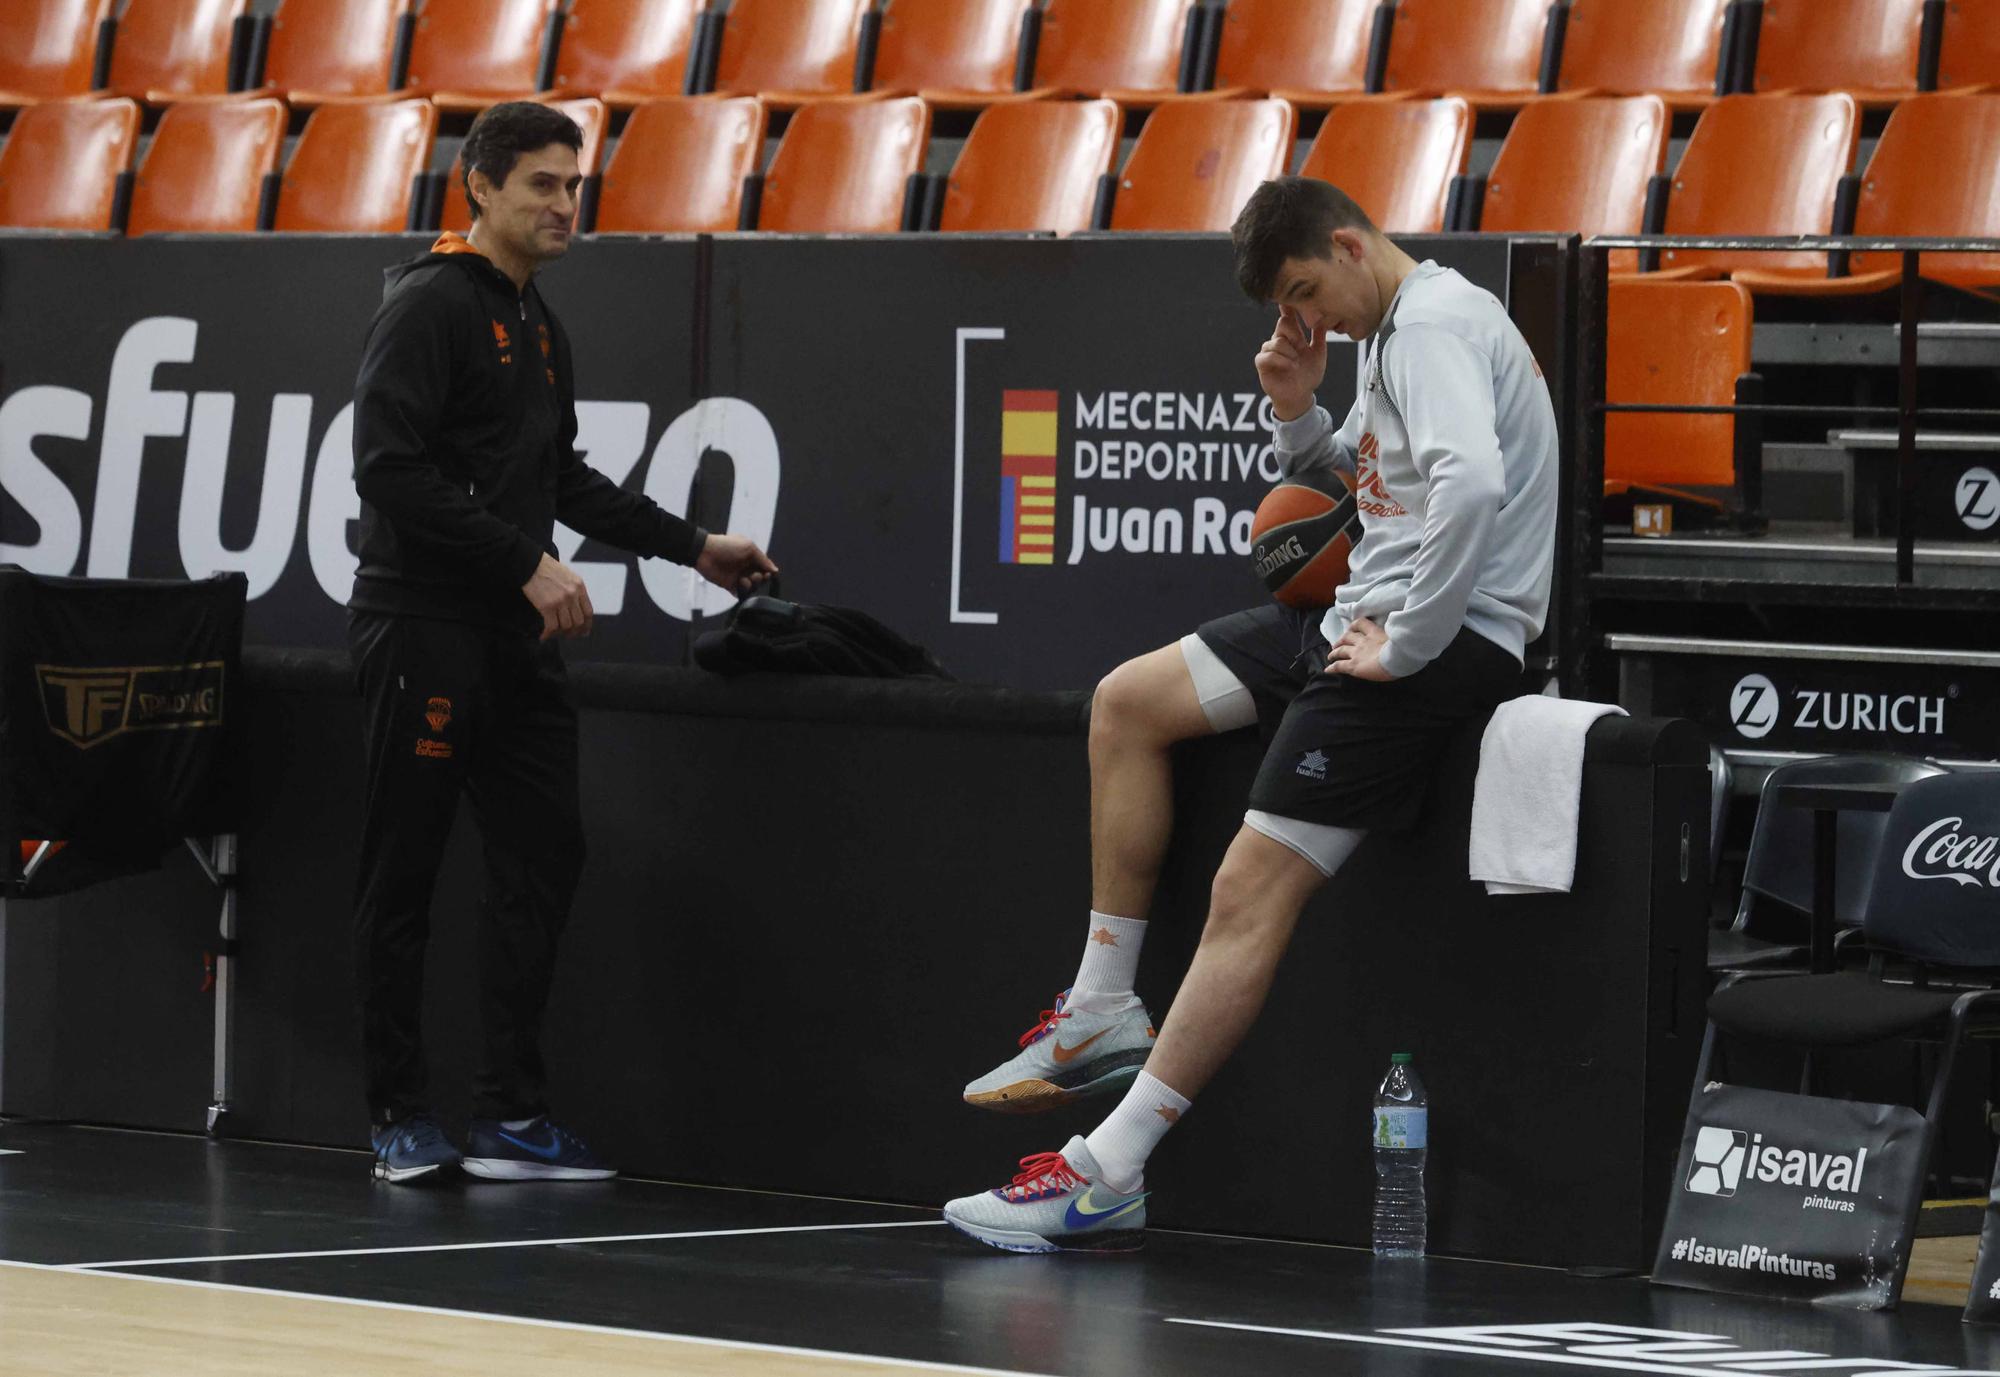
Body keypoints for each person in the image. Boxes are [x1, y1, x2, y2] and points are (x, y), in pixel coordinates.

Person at [943, 177, 1559, 1251]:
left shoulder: (1430, 329)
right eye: (1289, 303)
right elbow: (1377, 483)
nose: (1308, 316)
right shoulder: (1400, 327)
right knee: (1126, 704)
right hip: (1356, 615)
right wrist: (1296, 411)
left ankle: (1106, 1168)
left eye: (1307, 290)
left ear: (1346, 243)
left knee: (1245, 890)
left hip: (1430, 648)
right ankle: (1098, 1003)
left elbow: (1467, 488)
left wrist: (1408, 643)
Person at [348, 102, 777, 1185]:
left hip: (515, 643)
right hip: (423, 628)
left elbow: (562, 477)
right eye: (540, 183)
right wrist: (519, 561)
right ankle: (398, 1111)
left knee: (542, 858)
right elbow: (387, 468)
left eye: (572, 184)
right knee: (400, 874)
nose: (561, 203)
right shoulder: (431, 306)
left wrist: (693, 547)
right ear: (479, 189)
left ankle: (508, 1114)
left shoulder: (539, 321)